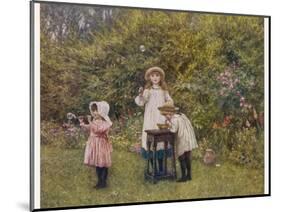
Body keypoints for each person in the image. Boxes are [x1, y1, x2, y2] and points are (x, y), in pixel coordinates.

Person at [135, 66, 173, 174]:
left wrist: (167, 109)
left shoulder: (163, 91)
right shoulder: (148, 91)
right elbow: (141, 102)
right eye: (153, 76)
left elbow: (170, 101)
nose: (155, 78)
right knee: (151, 144)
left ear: (161, 77)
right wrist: (141, 95)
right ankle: (154, 169)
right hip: (150, 120)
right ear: (149, 78)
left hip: (160, 119)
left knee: (161, 143)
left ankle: (161, 169)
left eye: (157, 75)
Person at [158, 101, 198, 182]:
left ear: (170, 113)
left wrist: (168, 125)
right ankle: (189, 175)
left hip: (182, 139)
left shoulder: (174, 119)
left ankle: (184, 177)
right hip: (188, 138)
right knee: (187, 157)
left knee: (181, 157)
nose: (166, 116)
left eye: (166, 115)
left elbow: (173, 130)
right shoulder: (181, 116)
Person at [79, 101, 113, 189]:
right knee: (98, 164)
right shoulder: (95, 121)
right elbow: (90, 128)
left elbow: (97, 130)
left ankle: (103, 182)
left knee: (103, 164)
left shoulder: (106, 123)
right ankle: (99, 182)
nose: (94, 112)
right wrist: (83, 124)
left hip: (101, 144)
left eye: (96, 110)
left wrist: (90, 121)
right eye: (93, 110)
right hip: (95, 143)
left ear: (102, 111)